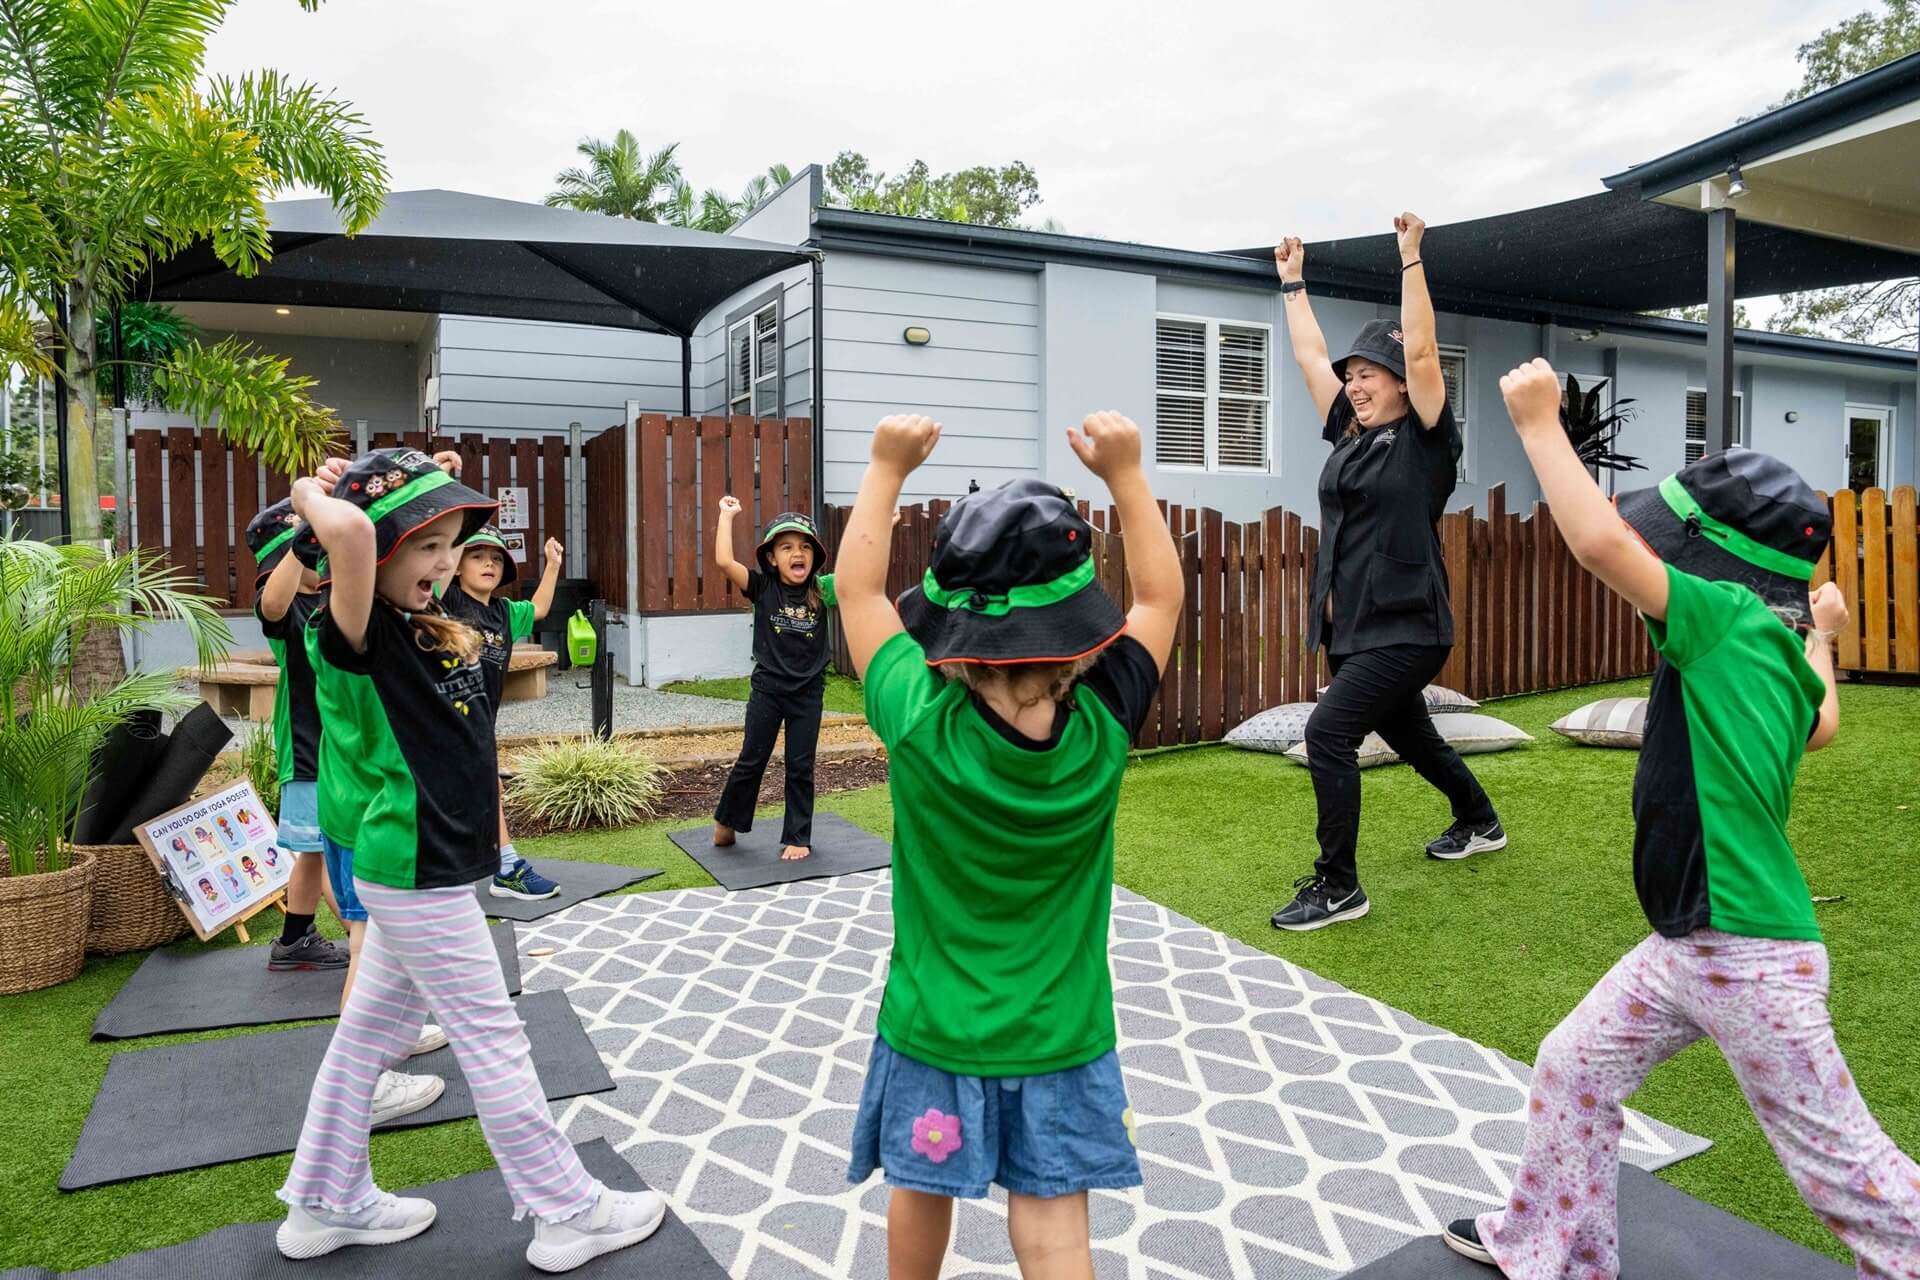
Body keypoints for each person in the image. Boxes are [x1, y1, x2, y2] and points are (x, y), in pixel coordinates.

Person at [1441, 359, 1920, 1278]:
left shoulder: (1727, 622)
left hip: (1742, 949)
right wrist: (1824, 632)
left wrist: (1542, 423)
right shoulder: (1775, 648)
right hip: (1692, 944)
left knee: (1843, 1172)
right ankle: (1554, 1248)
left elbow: (1599, 547)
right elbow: (1819, 725)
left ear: (1714, 560)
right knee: (1574, 1067)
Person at [276, 448, 664, 1271]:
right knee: (493, 1037)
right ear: (370, 555)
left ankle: (323, 1200)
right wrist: (317, 490)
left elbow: (377, 532)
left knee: (362, 1040)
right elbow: (345, 527)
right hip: (414, 869)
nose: (446, 561)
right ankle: (568, 1211)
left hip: (423, 866)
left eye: (451, 542)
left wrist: (416, 474)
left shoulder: (424, 617)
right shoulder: (352, 631)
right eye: (425, 546)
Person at [835, 411, 1183, 1280]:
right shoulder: (1103, 728)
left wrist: (885, 467)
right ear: (1075, 634)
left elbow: (859, 594)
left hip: (934, 1030)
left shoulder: (919, 721)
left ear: (955, 632)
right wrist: (1128, 477)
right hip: (1061, 1037)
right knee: (1058, 1231)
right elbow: (1159, 599)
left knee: (921, 1189)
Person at [1269, 213, 1506, 931]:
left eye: (1368, 374)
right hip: (1354, 628)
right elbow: (1313, 360)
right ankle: (1480, 819)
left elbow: (1426, 348)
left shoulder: (1426, 438)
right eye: (1354, 376)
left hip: (1407, 622)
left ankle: (1338, 885)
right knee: (1413, 737)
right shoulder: (1352, 432)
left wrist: (1410, 259)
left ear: (1402, 385)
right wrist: (1293, 285)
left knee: (1329, 735)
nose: (1354, 384)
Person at [438, 522, 567, 901]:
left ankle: (484, 868)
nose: (488, 564)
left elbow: (540, 608)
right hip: (444, 716)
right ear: (458, 565)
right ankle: (506, 867)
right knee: (483, 787)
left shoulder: (504, 612)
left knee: (474, 790)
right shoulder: (447, 602)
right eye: (476, 556)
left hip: (481, 719)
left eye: (496, 558)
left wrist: (552, 564)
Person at [710, 503, 834, 862]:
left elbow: (862, 576)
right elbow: (723, 562)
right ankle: (727, 821)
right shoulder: (762, 587)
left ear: (815, 556)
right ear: (772, 558)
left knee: (800, 764)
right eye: (787, 547)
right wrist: (727, 516)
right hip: (768, 690)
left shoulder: (822, 590)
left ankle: (798, 835)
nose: (798, 553)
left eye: (805, 546)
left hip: (809, 693)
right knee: (752, 759)